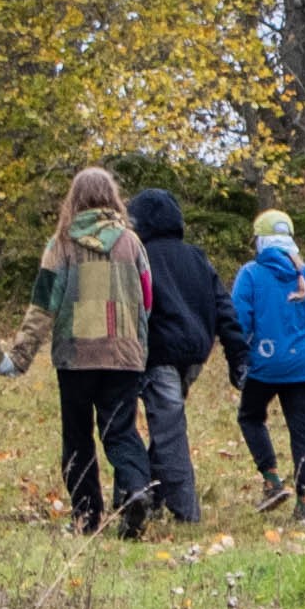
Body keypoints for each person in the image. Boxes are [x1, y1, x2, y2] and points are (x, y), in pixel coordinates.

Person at [34, 167, 159, 532]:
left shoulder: (60, 244)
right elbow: (147, 299)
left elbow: (44, 303)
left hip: (75, 358)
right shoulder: (131, 243)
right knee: (120, 430)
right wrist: (137, 342)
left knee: (77, 435)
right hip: (123, 355)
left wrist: (22, 354)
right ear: (112, 197)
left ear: (73, 199)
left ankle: (87, 517)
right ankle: (136, 491)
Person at [224, 210, 305, 513]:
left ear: (260, 241)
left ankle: (272, 479)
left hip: (264, 364)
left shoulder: (249, 274)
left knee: (250, 417)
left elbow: (239, 324)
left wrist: (238, 362)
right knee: (303, 434)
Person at [128, 187, 227, 527]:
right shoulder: (195, 257)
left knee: (168, 430)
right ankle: (153, 497)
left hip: (159, 353)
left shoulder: (141, 258)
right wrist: (238, 353)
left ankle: (185, 511)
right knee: (166, 424)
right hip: (195, 354)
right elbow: (222, 304)